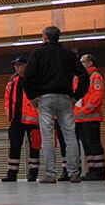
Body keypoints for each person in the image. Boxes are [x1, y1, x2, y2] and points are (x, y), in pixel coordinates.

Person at [24, 26, 90, 184]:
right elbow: (84, 76)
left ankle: (50, 174)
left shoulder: (38, 53)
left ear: (45, 37)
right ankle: (74, 173)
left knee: (47, 136)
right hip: (65, 98)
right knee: (70, 136)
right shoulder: (68, 54)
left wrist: (32, 96)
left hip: (45, 99)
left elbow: (29, 76)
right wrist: (76, 96)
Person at [1, 56, 41, 182]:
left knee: (35, 147)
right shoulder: (12, 82)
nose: (17, 67)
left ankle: (33, 174)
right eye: (15, 66)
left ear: (25, 65)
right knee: (14, 146)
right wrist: (9, 114)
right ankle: (11, 174)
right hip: (16, 119)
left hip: (33, 120)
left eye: (19, 65)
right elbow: (7, 99)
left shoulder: (35, 80)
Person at [74, 54, 105, 181]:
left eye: (83, 62)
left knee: (94, 145)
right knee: (87, 146)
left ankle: (99, 172)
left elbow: (97, 97)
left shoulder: (95, 76)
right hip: (80, 119)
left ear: (90, 63)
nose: (81, 64)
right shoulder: (80, 78)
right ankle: (92, 170)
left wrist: (84, 110)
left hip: (91, 118)